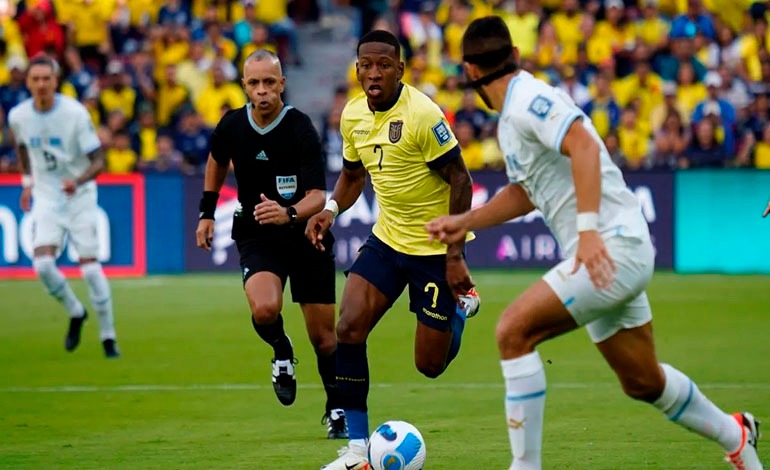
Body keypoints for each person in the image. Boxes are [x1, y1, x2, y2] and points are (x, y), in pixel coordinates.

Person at [425, 16, 763, 470]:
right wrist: (466, 220)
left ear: (467, 71)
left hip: (611, 246)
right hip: (610, 252)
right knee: (643, 380)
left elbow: (583, 144)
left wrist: (587, 232)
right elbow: (525, 192)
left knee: (512, 331)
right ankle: (735, 435)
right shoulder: (512, 117)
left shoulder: (528, 100)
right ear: (516, 57)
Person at [306, 30, 481, 470]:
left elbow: (462, 180)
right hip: (387, 240)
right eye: (366, 64)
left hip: (434, 248)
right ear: (357, 68)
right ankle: (356, 451)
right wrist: (330, 209)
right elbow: (352, 175)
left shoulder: (422, 114)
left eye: (384, 64)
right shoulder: (352, 116)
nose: (373, 73)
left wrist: (455, 256)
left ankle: (457, 308)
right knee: (348, 328)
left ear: (400, 69)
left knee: (429, 365)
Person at [194, 50, 347, 439]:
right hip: (257, 232)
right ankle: (281, 350)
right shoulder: (231, 125)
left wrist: (290, 213)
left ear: (282, 84)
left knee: (325, 337)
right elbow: (216, 160)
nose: (262, 91)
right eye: (254, 83)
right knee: (264, 309)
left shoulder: (300, 128)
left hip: (305, 233)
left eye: (269, 83)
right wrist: (207, 212)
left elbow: (318, 194)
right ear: (244, 86)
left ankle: (336, 408)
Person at [8, 56, 119, 358]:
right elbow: (22, 147)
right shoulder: (19, 116)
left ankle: (108, 336)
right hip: (46, 195)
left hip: (80, 196)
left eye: (47, 78)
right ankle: (75, 311)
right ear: (28, 82)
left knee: (91, 270)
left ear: (56, 81)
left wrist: (78, 180)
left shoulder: (75, 114)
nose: (41, 84)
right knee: (42, 264)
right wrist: (28, 183)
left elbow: (99, 160)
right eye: (36, 79)